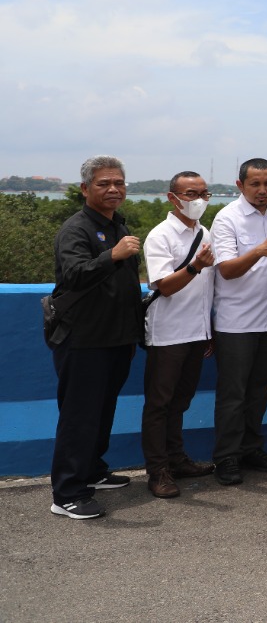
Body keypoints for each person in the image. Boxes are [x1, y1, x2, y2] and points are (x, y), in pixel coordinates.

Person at [47, 156, 144, 519]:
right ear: (86, 188)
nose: (113, 189)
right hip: (84, 338)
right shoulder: (76, 229)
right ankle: (67, 493)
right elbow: (74, 275)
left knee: (103, 409)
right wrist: (112, 255)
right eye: (104, 183)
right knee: (79, 415)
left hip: (117, 336)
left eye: (119, 182)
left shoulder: (118, 224)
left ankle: (92, 469)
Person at [210, 158, 267, 486]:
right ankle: (226, 457)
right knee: (233, 393)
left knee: (261, 389)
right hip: (236, 321)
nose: (262, 190)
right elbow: (226, 270)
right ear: (240, 185)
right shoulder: (227, 218)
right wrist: (260, 251)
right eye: (254, 184)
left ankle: (251, 448)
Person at [140, 171, 217, 498]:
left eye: (203, 193)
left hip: (196, 331)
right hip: (168, 332)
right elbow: (165, 286)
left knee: (180, 401)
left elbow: (208, 290)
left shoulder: (205, 233)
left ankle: (176, 458)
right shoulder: (161, 236)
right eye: (190, 194)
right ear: (173, 198)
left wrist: (208, 330)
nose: (197, 200)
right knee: (159, 404)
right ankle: (157, 472)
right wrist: (195, 266)